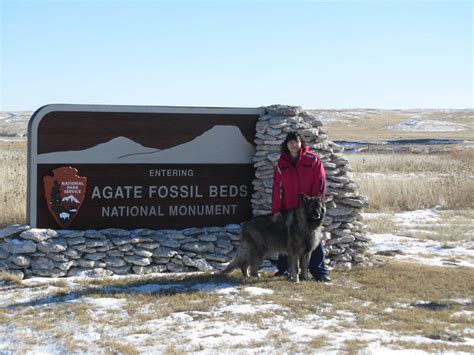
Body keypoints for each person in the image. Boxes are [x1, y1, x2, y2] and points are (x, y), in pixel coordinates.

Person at [272, 131, 331, 283]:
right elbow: (277, 188)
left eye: (296, 142)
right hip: (290, 207)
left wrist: (316, 202)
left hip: (309, 208)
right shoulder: (282, 163)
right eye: (290, 142)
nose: (293, 145)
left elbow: (320, 180)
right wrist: (276, 210)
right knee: (286, 239)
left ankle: (319, 272)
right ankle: (285, 269)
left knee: (312, 239)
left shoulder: (312, 159)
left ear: (301, 143)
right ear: (286, 144)